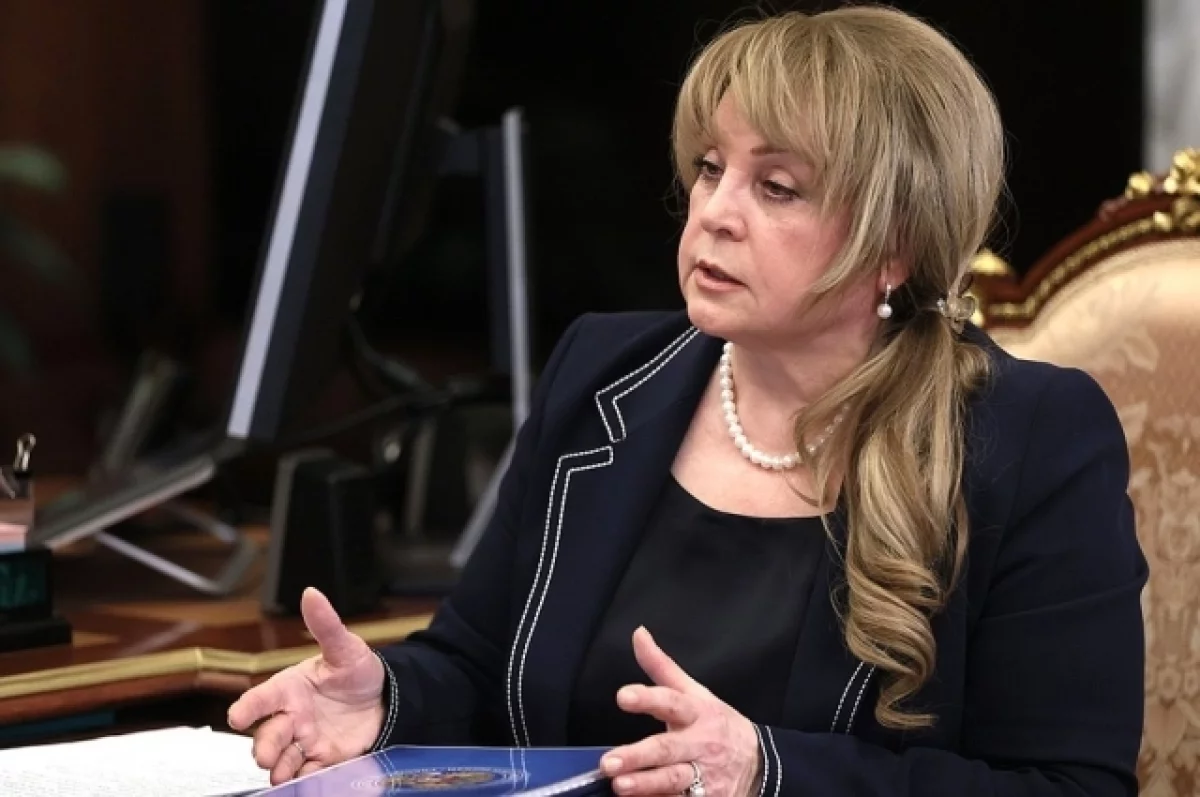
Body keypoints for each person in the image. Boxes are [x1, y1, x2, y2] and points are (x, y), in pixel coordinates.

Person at [227, 6, 1147, 796]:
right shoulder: (604, 372)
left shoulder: (1028, 440)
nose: (715, 212)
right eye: (711, 168)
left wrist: (767, 770)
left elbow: (1069, 785)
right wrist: (386, 701)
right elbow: (476, 664)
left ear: (895, 245)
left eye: (776, 187)